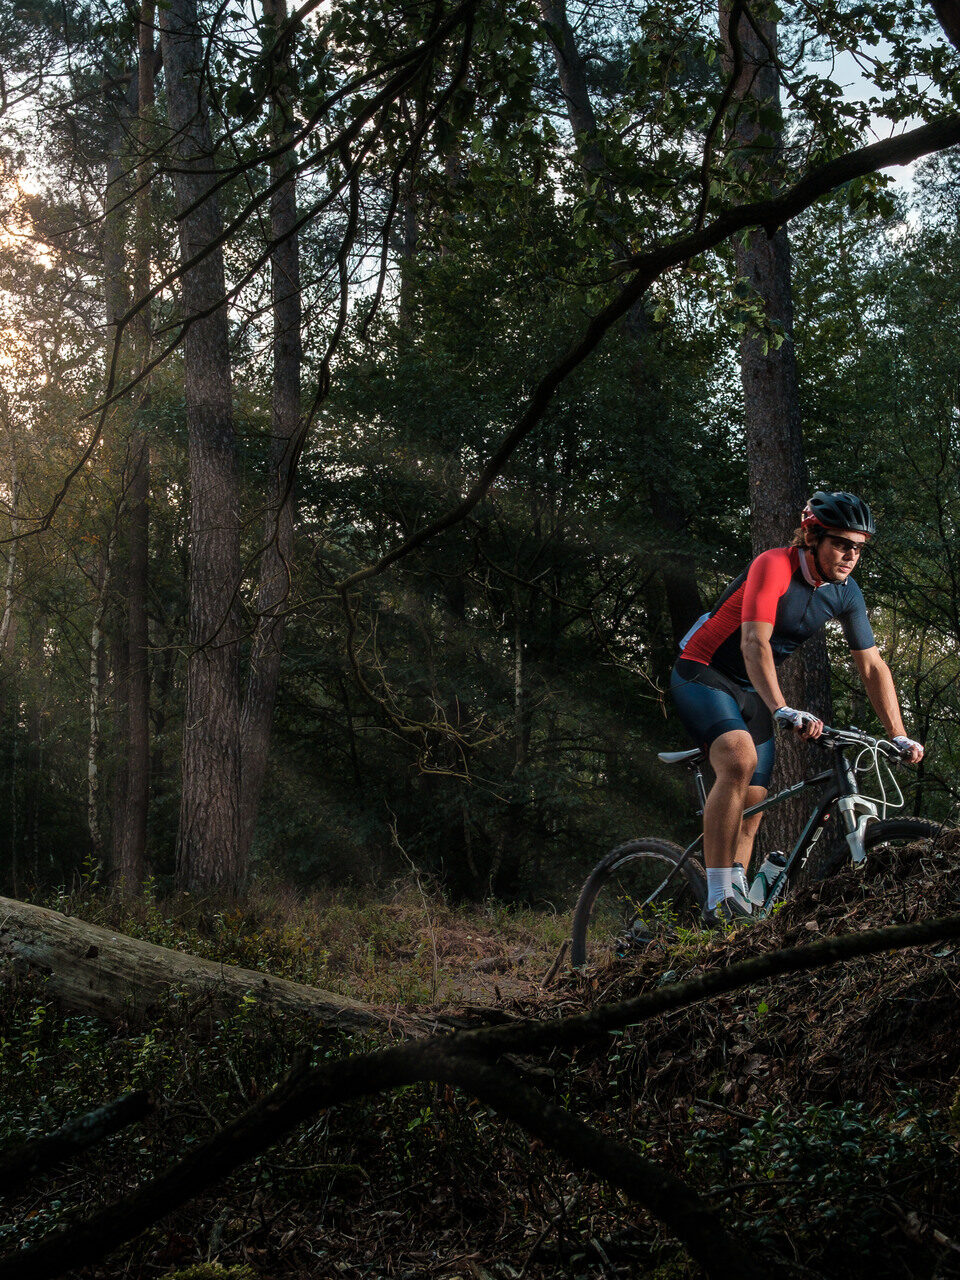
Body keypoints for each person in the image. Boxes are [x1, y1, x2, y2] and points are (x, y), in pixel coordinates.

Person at [670, 490, 924, 926]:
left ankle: (730, 918)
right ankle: (716, 897)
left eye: (858, 547)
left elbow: (872, 665)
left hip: (751, 688)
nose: (850, 555)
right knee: (738, 758)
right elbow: (755, 642)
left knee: (753, 805)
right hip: (702, 671)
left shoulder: (845, 592)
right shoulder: (774, 564)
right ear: (812, 536)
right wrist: (783, 707)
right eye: (842, 543)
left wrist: (897, 733)